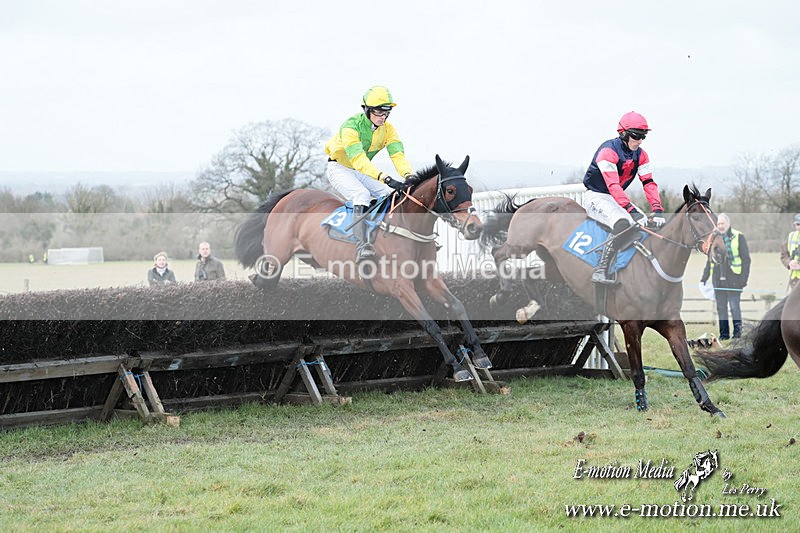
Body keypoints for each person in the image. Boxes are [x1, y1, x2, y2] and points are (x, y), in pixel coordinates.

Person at [324, 85, 415, 262]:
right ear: (365, 109)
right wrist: (385, 178)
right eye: (379, 113)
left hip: (360, 170)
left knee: (391, 195)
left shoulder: (388, 129)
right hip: (339, 168)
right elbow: (359, 160)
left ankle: (393, 239)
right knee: (362, 195)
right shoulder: (351, 126)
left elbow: (397, 155)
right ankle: (361, 247)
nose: (383, 118)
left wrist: (408, 175)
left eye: (386, 113)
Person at [583, 111, 666, 284]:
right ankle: (601, 269)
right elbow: (613, 186)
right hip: (596, 196)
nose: (640, 140)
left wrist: (657, 209)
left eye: (643, 136)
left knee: (645, 223)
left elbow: (649, 183)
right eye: (636, 136)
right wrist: (629, 210)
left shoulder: (641, 155)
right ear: (623, 133)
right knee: (623, 222)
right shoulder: (608, 151)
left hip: (615, 198)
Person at [700, 214, 751, 340]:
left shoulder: (738, 236)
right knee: (721, 308)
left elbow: (746, 260)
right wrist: (704, 279)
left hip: (735, 278)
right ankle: (724, 335)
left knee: (734, 307)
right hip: (718, 279)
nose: (721, 226)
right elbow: (709, 260)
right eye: (719, 224)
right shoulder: (714, 238)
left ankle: (737, 335)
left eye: (723, 223)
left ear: (728, 224)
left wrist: (743, 280)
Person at [780, 213, 800, 292]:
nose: (799, 227)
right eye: (798, 224)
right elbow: (784, 255)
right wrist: (789, 263)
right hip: (794, 279)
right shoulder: (791, 236)